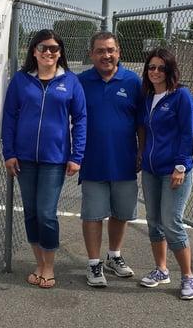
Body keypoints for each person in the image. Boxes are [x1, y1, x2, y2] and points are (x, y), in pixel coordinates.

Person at [2, 29, 87, 289]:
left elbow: (81, 119)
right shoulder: (21, 80)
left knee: (46, 213)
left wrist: (76, 156)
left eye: (53, 48)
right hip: (24, 159)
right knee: (30, 212)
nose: (48, 52)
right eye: (43, 48)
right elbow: (10, 117)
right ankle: (38, 263)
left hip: (54, 159)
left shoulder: (70, 81)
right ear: (34, 51)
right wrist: (10, 153)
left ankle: (48, 267)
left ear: (60, 52)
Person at [78, 31, 143, 287]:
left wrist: (141, 151)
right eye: (100, 51)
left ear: (119, 52)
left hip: (124, 161)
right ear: (92, 54)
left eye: (111, 50)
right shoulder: (81, 82)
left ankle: (113, 256)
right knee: (93, 215)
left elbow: (141, 122)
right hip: (92, 161)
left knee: (121, 212)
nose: (106, 55)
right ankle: (94, 264)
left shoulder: (133, 81)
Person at [139, 48, 193, 300]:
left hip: (174, 171)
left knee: (171, 222)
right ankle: (162, 270)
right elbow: (143, 130)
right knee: (154, 221)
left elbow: (187, 134)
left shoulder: (181, 96)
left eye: (161, 68)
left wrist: (181, 167)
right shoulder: (148, 96)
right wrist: (140, 156)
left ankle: (188, 277)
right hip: (151, 171)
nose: (155, 72)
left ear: (170, 70)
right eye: (151, 67)